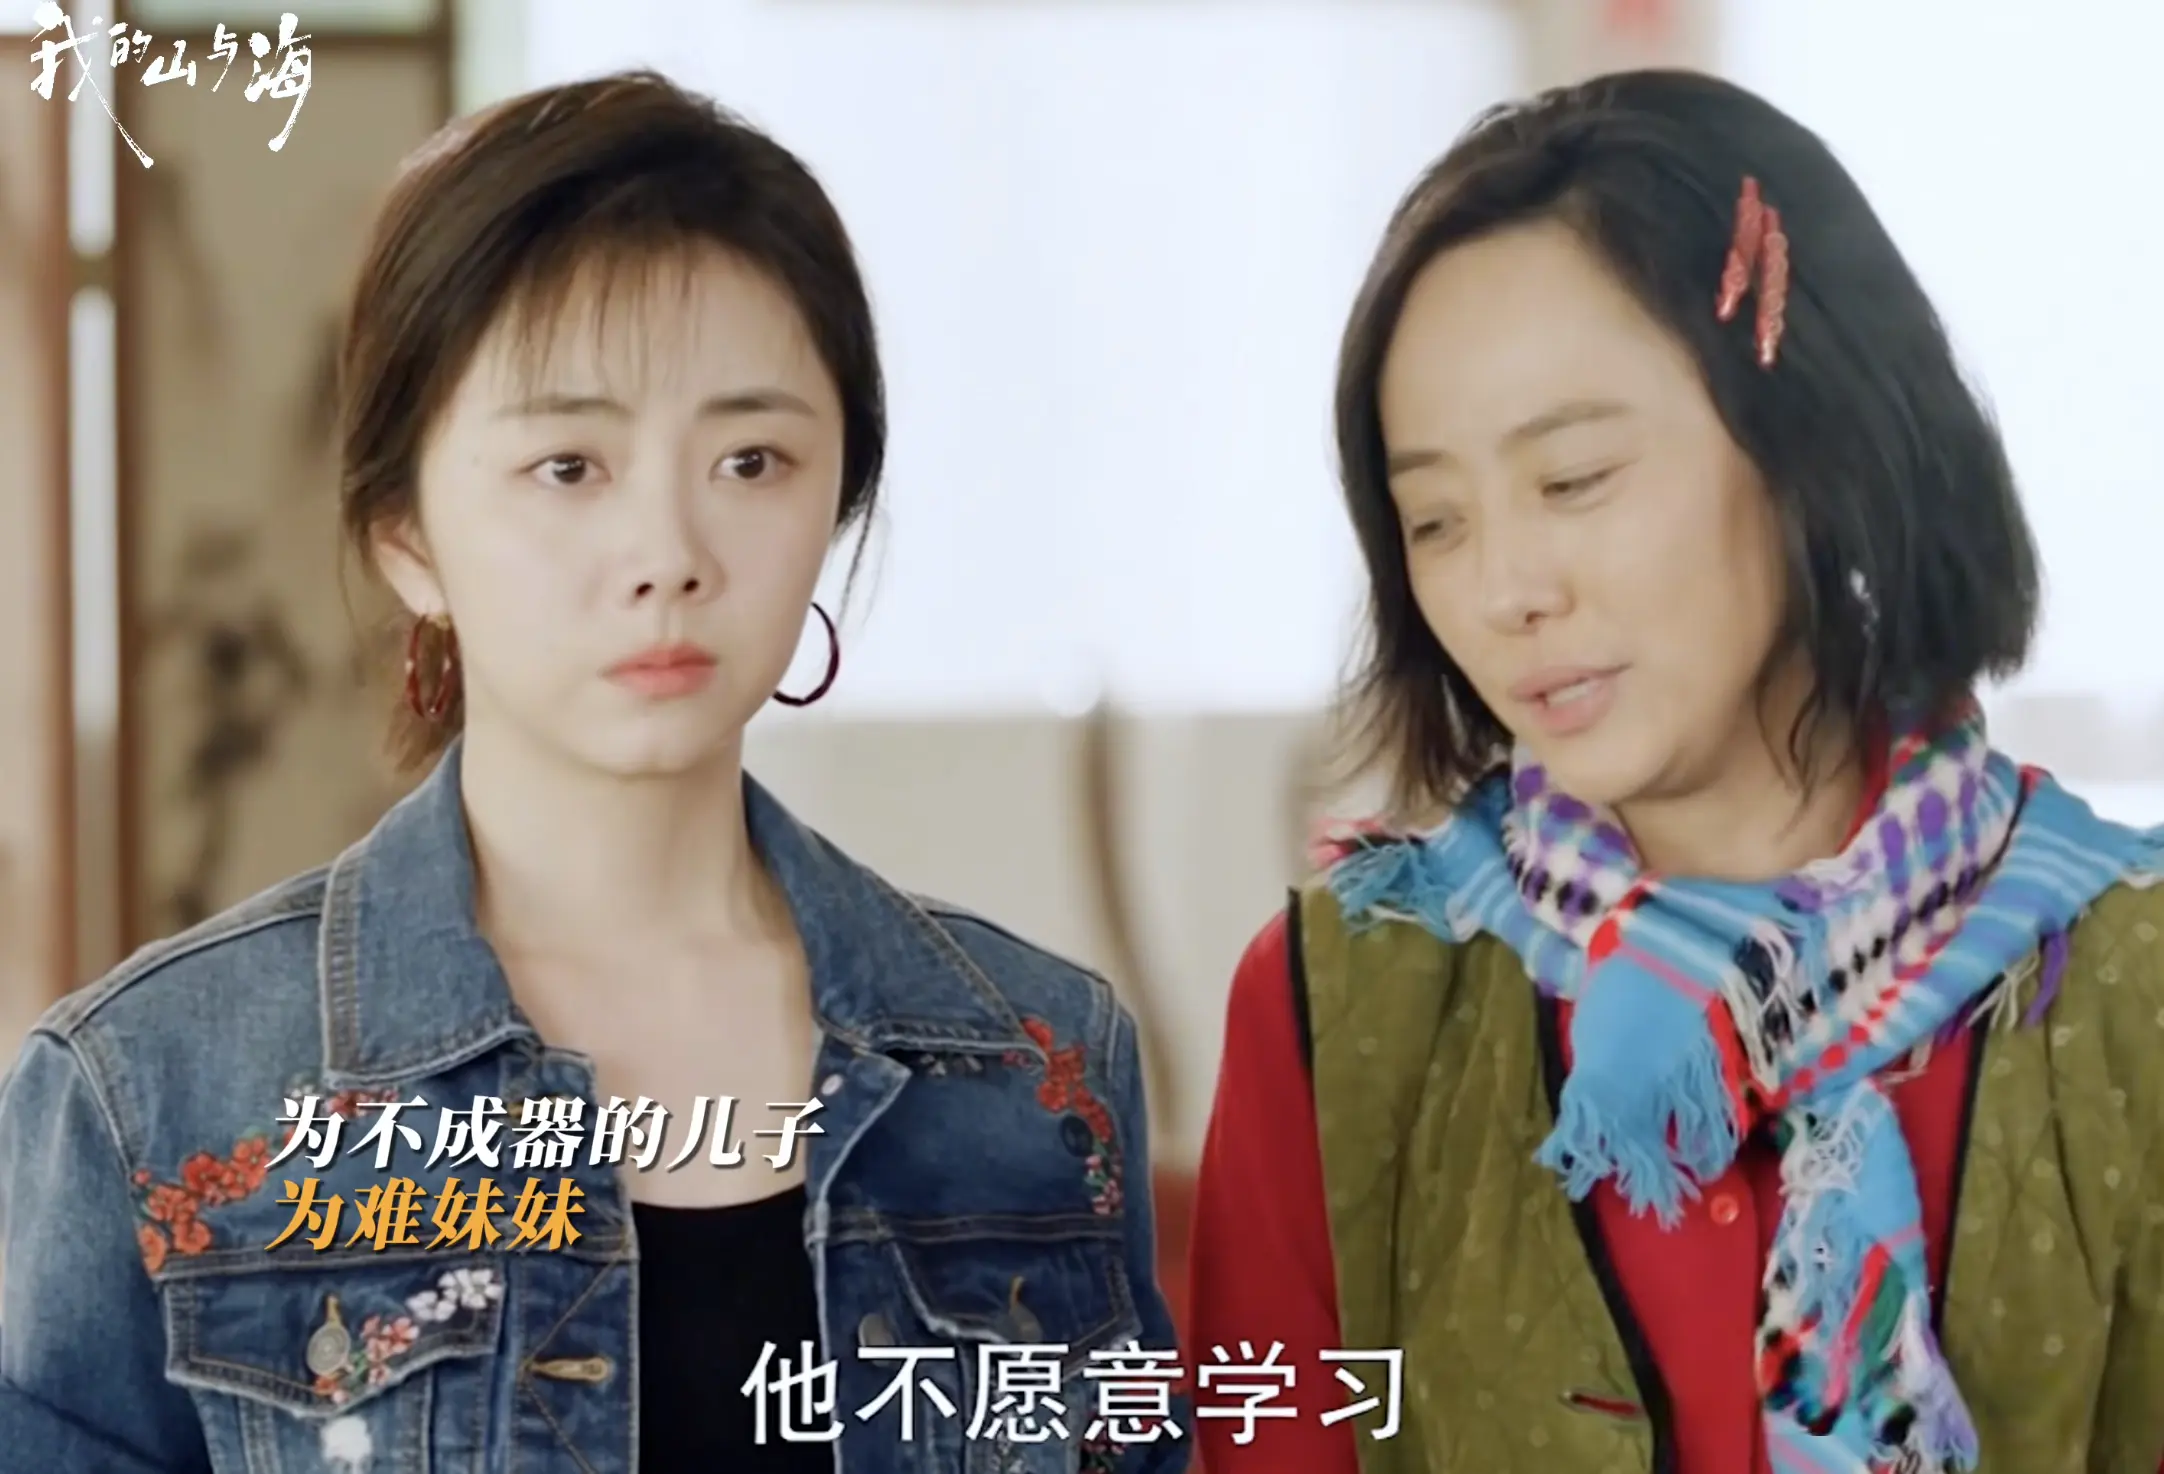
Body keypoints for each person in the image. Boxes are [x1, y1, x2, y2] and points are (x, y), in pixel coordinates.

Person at [0, 71, 1187, 1474]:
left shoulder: (1036, 1068)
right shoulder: (151, 1092)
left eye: (752, 459)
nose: (669, 551)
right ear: (406, 534)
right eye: (569, 466)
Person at [1188, 68, 2164, 1474]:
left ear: (1810, 441)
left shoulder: (2129, 983)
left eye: (1573, 479)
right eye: (1436, 520)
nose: (1505, 589)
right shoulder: (1340, 1008)